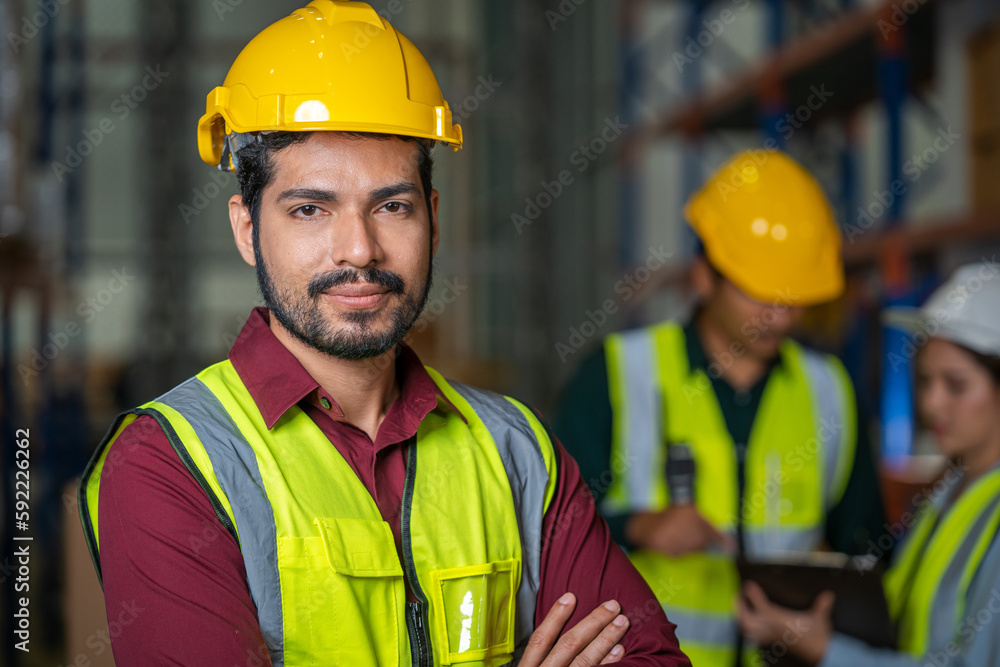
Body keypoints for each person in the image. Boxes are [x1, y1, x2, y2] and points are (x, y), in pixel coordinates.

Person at [76, 2, 690, 665]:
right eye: (311, 209)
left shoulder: (518, 451)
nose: (360, 249)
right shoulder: (169, 463)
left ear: (432, 216)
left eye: (391, 206)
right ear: (247, 228)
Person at [552, 149, 887, 666]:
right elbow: (552, 527)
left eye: (793, 297)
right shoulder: (619, 374)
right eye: (760, 295)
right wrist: (638, 527)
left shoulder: (829, 391)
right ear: (705, 276)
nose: (779, 315)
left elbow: (865, 549)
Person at [738, 262, 1000, 666]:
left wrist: (828, 652)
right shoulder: (950, 492)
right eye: (925, 381)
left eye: (956, 385)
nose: (931, 404)